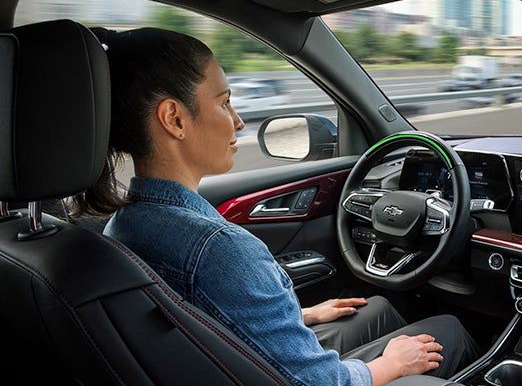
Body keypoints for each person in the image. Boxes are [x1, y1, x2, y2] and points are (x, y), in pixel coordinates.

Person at [73, 27, 479, 386]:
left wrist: (300, 316)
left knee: (377, 310)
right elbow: (318, 382)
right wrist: (392, 365)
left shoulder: (123, 225)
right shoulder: (219, 249)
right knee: (449, 331)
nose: (238, 122)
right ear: (174, 119)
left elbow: (198, 326)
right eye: (224, 102)